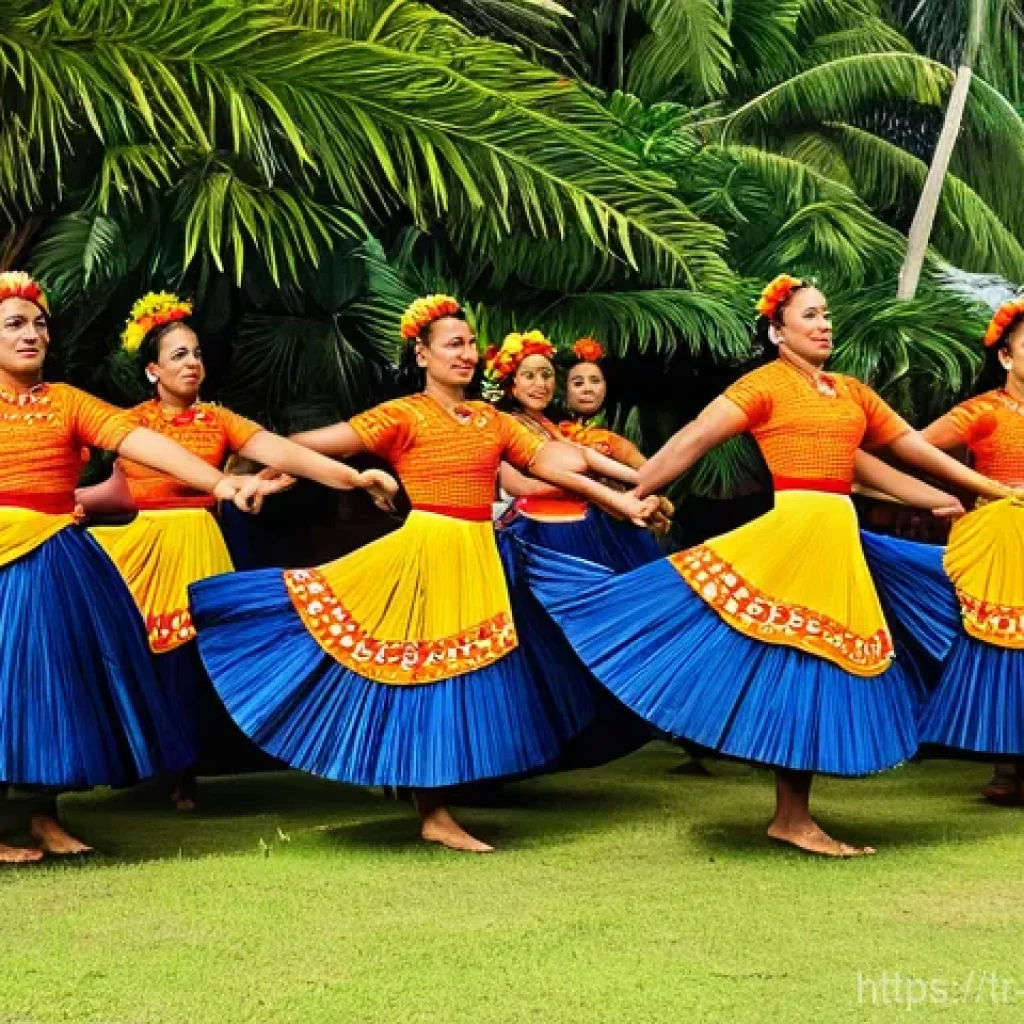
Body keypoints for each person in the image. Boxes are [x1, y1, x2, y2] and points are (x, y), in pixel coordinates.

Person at [520, 274, 1011, 857]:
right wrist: (637, 491)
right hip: (793, 535)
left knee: (830, 660)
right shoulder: (764, 386)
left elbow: (907, 450)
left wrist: (963, 491)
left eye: (826, 314)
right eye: (809, 316)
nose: (824, 324)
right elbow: (696, 437)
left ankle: (794, 816)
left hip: (837, 536)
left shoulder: (851, 393)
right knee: (798, 665)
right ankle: (793, 817)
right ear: (778, 332)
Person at [188, 295, 657, 852]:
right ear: (422, 353)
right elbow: (309, 445)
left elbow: (555, 461)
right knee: (426, 677)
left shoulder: (490, 419)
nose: (466, 355)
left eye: (469, 345)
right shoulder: (402, 415)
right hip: (426, 552)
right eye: (453, 345)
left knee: (471, 678)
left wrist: (626, 494)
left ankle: (444, 801)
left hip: (479, 554)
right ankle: (434, 813)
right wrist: (256, 471)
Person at [84, 292, 397, 809]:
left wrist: (352, 478)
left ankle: (186, 772)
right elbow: (104, 483)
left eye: (197, 354)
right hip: (136, 548)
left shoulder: (219, 421)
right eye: (178, 355)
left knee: (193, 663)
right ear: (152, 372)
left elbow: (284, 451)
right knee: (129, 656)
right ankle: (130, 764)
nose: (192, 363)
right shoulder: (129, 422)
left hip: (199, 542)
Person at [0, 271, 264, 862]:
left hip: (57, 556)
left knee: (57, 685)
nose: (31, 334)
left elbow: (143, 444)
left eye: (39, 323)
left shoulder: (68, 401)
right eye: (14, 324)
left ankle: (44, 815)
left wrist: (219, 480)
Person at [862, 297, 1024, 799]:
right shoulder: (983, 412)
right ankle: (1010, 764)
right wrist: (941, 498)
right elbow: (908, 449)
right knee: (1003, 647)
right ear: (1006, 357)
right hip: (1000, 541)